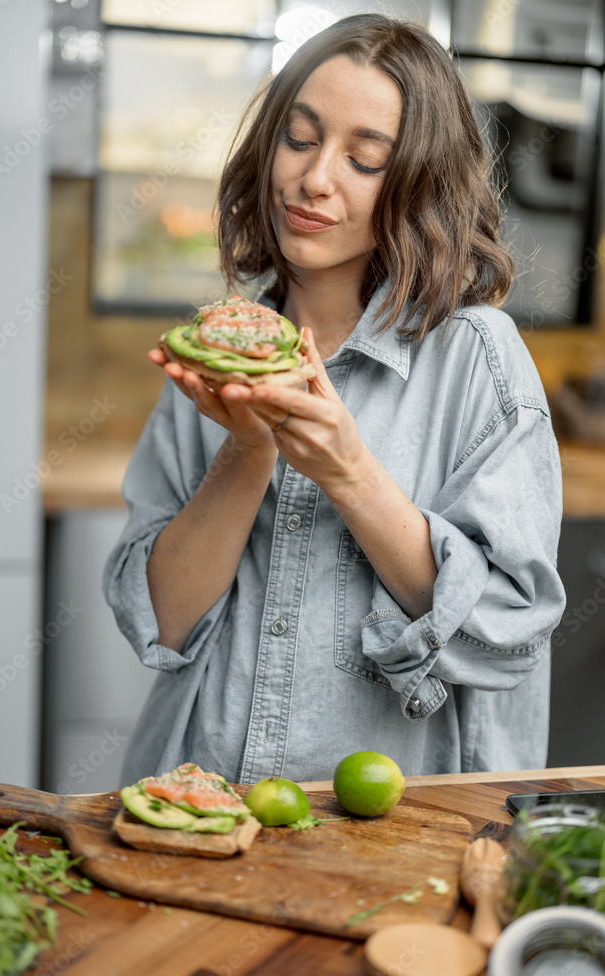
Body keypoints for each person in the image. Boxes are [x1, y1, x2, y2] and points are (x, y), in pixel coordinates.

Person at [102, 13, 566, 785]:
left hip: (401, 827)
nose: (314, 178)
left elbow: (505, 633)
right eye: (300, 137)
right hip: (203, 797)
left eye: (364, 158)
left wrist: (349, 471)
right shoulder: (221, 351)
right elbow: (164, 625)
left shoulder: (476, 357)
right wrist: (248, 450)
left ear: (418, 179)